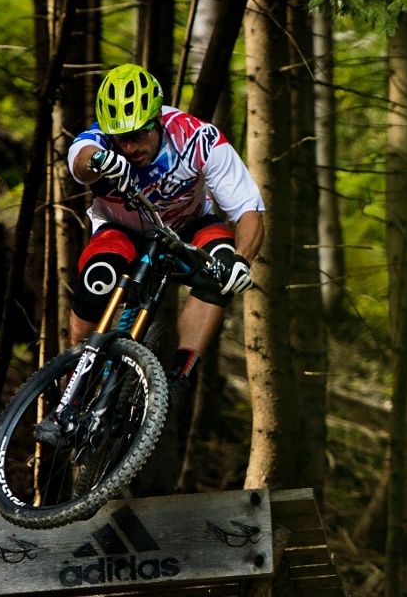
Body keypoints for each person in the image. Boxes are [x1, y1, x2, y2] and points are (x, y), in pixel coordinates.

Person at [65, 64, 264, 393]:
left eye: (139, 134)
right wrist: (97, 161)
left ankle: (179, 377)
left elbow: (247, 209)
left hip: (188, 225)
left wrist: (242, 259)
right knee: (99, 278)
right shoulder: (100, 140)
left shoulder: (197, 138)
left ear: (158, 118)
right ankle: (76, 376)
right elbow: (79, 160)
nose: (130, 148)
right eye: (122, 138)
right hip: (121, 227)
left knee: (222, 266)